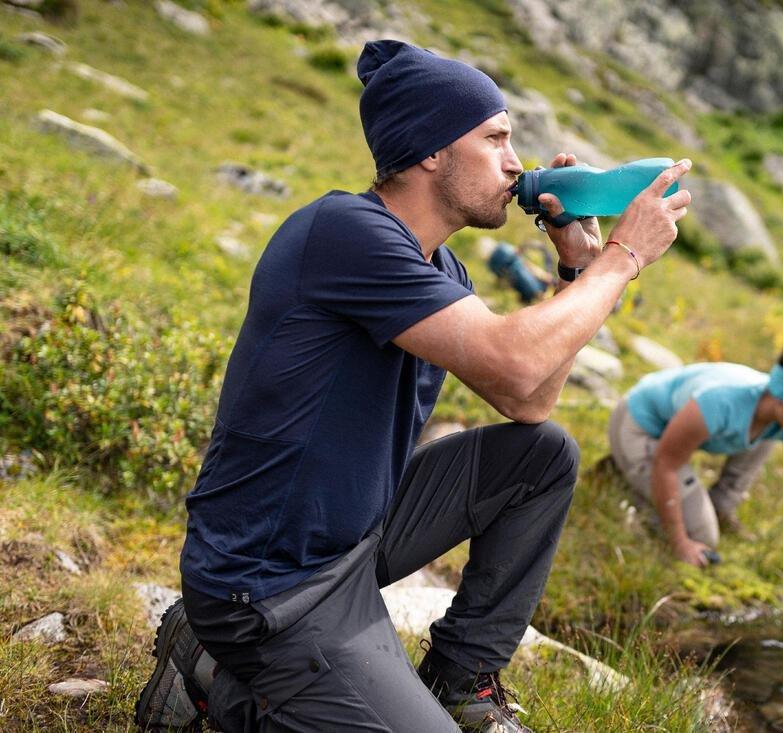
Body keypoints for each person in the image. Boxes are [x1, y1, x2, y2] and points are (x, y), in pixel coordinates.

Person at [133, 40, 692, 732]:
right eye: (495, 139)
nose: (516, 163)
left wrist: (578, 266)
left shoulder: (440, 268)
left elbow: (527, 398)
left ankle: (459, 681)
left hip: (351, 539)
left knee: (541, 454)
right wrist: (624, 255)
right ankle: (210, 677)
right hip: (270, 583)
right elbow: (514, 361)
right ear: (430, 149)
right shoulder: (344, 231)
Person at [608, 328, 783, 599]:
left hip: (673, 442)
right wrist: (680, 543)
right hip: (639, 425)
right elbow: (666, 464)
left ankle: (721, 506)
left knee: (769, 435)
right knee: (703, 537)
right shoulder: (719, 401)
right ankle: (618, 474)